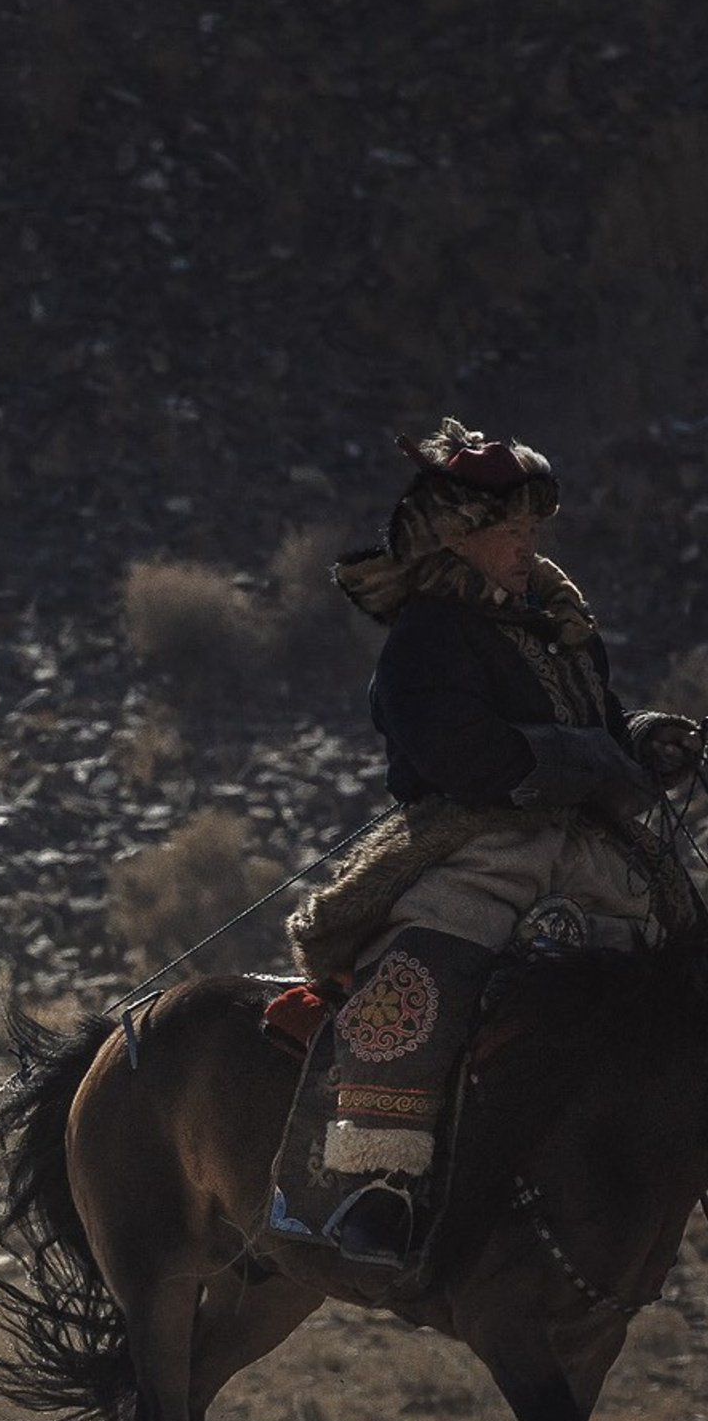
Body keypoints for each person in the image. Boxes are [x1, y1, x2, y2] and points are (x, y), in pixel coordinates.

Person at [286, 418, 699, 1271]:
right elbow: (468, 757)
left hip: (585, 845)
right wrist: (589, 760)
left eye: (531, 532)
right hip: (470, 843)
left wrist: (644, 744)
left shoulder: (558, 625)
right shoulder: (427, 636)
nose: (525, 548)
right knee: (426, 975)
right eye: (508, 533)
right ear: (458, 539)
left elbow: (603, 727)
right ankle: (376, 1183)